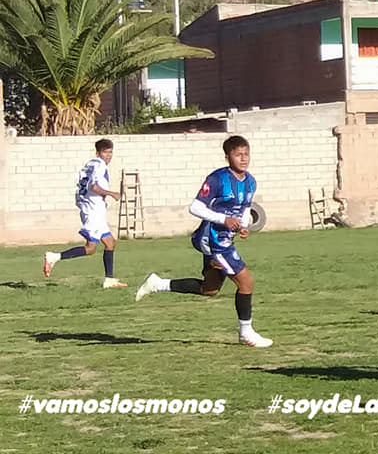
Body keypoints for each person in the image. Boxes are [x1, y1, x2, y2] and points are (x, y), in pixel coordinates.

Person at [133, 136, 273, 348]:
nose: (243, 159)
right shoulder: (217, 179)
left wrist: (243, 225)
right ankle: (246, 333)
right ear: (228, 157)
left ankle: (157, 284)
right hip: (212, 239)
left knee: (210, 289)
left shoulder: (251, 181)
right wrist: (223, 220)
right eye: (238, 154)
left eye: (246, 154)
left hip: (226, 239)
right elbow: (195, 207)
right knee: (246, 282)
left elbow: (244, 209)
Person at [44, 139, 126, 288]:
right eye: (105, 152)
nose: (108, 155)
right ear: (98, 152)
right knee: (90, 248)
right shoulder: (100, 166)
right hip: (93, 210)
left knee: (110, 242)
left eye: (110, 152)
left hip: (93, 208)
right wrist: (111, 193)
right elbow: (94, 187)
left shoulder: (89, 165)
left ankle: (109, 280)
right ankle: (54, 257)